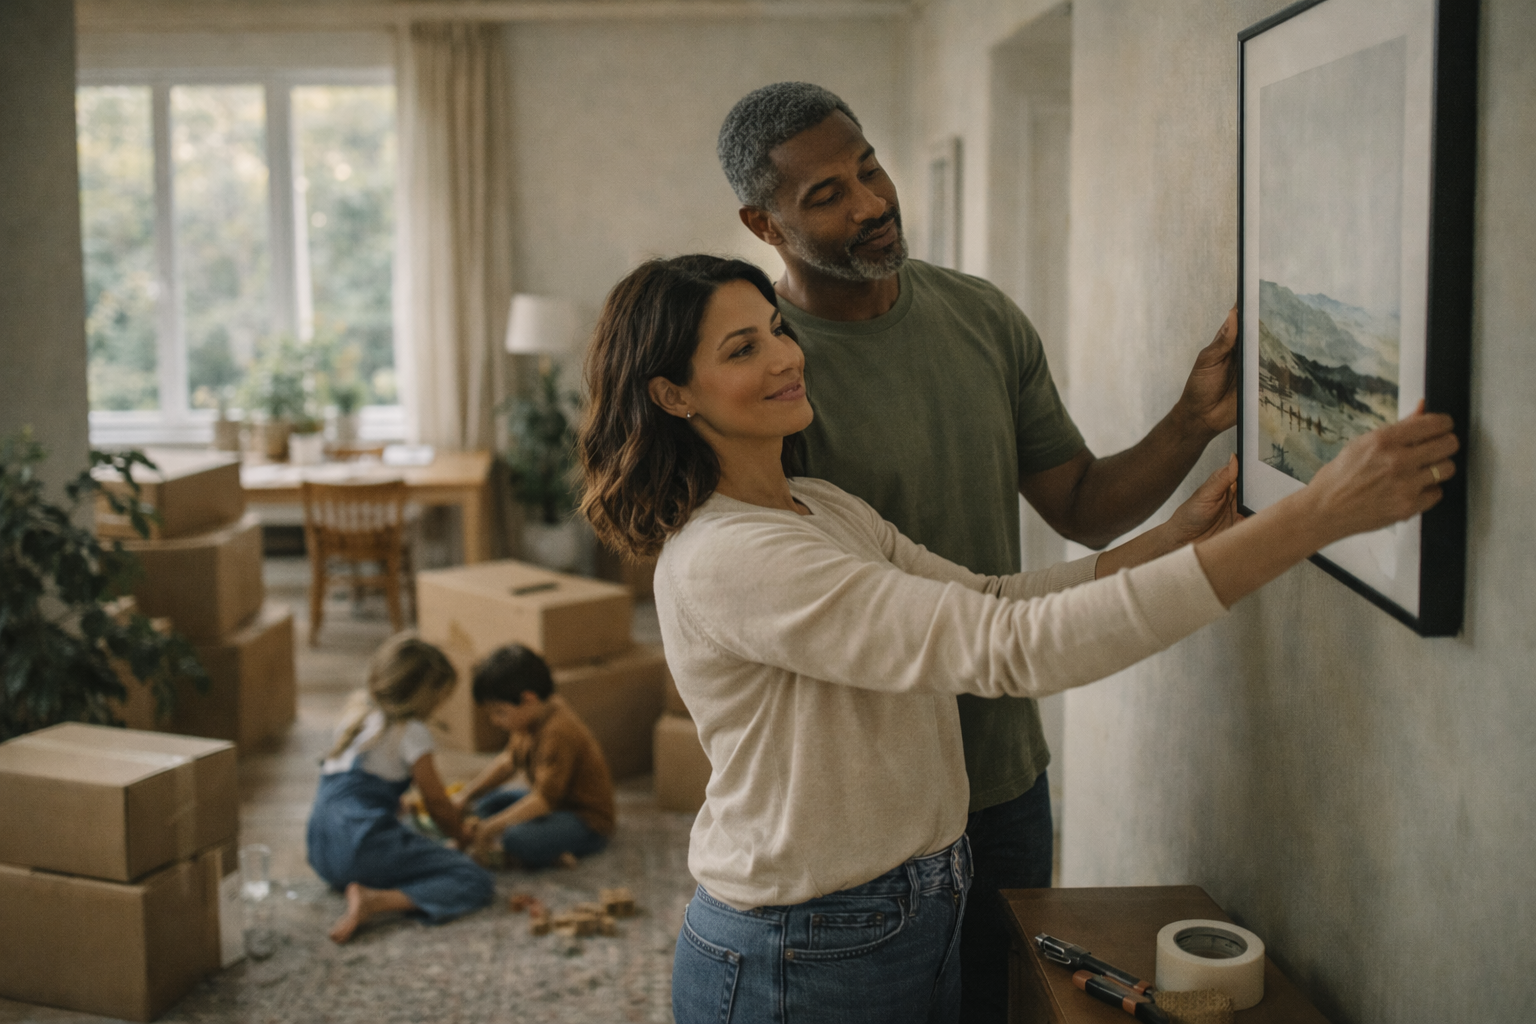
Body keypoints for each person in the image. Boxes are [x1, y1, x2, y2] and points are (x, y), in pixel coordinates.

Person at [576, 254, 1456, 1024]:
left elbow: (993, 596)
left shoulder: (821, 509)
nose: (785, 357)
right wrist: (1319, 514)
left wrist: (1181, 538)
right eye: (743, 349)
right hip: (801, 948)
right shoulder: (733, 555)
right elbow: (1006, 646)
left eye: (775, 330)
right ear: (671, 393)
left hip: (900, 911)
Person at [717, 80, 1246, 1020]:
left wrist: (1191, 421)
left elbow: (1082, 508)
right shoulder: (771, 375)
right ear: (763, 224)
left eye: (868, 168)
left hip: (1002, 773)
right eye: (827, 194)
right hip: (866, 807)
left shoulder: (983, 318)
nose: (872, 203)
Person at [306, 632, 495, 944]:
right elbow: (436, 802)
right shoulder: (413, 732)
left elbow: (357, 788)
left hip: (322, 853)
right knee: (472, 879)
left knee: (404, 834)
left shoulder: (356, 714)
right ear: (425, 696)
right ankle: (377, 900)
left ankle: (370, 886)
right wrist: (461, 835)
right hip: (360, 849)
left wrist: (395, 805)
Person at [453, 644, 617, 870]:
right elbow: (508, 761)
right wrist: (466, 795)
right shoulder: (530, 718)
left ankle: (547, 852)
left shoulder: (558, 733)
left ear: (528, 699)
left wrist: (490, 829)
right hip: (551, 801)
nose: (494, 721)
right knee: (485, 806)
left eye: (499, 712)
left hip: (584, 819)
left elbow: (543, 800)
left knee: (516, 839)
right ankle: (545, 848)